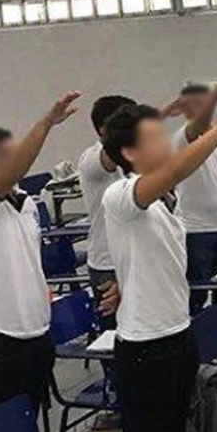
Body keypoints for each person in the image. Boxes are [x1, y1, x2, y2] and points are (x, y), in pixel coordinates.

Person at [101, 92, 217, 432]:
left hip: (177, 333)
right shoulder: (119, 194)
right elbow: (178, 167)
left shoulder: (164, 203)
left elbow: (148, 254)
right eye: (154, 139)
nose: (165, 144)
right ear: (130, 153)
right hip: (145, 346)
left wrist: (125, 278)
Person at [0, 92, 80, 416]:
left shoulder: (26, 203)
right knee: (5, 424)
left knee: (30, 417)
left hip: (36, 330)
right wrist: (46, 122)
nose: (16, 157)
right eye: (5, 154)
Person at [173, 76, 217, 313]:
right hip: (196, 230)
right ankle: (195, 345)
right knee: (196, 294)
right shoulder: (183, 137)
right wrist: (216, 95)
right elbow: (197, 126)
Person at [78, 95, 137, 331]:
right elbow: (110, 158)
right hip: (108, 264)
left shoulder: (132, 160)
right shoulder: (92, 159)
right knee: (115, 336)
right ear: (104, 128)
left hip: (134, 257)